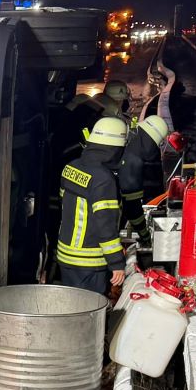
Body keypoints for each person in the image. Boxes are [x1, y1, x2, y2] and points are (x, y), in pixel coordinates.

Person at [56, 116, 129, 296]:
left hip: (66, 255)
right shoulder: (103, 179)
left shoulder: (71, 167)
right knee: (86, 315)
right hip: (88, 260)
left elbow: (64, 204)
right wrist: (116, 263)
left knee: (70, 307)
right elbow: (105, 225)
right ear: (115, 148)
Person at [119, 114, 170, 235]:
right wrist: (143, 233)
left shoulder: (129, 147)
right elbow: (132, 205)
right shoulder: (136, 159)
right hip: (127, 215)